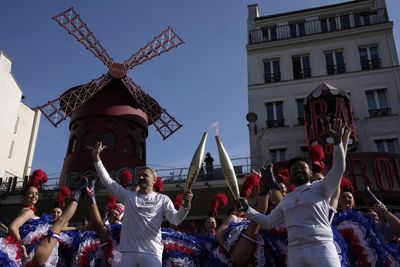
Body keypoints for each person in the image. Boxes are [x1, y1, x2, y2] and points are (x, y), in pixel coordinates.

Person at [238, 118, 348, 267]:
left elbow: (339, 168)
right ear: (290, 177)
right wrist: (247, 210)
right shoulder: (287, 199)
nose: (299, 170)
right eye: (295, 170)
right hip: (295, 251)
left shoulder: (321, 187)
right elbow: (269, 222)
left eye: (303, 168)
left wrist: (337, 143)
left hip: (321, 247)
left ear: (310, 173)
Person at [92, 141, 193, 267]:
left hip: (152, 253)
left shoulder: (163, 199)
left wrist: (185, 205)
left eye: (145, 175)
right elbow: (108, 181)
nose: (141, 178)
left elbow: (176, 220)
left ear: (154, 180)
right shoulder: (128, 196)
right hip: (128, 253)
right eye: (139, 176)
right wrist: (97, 158)